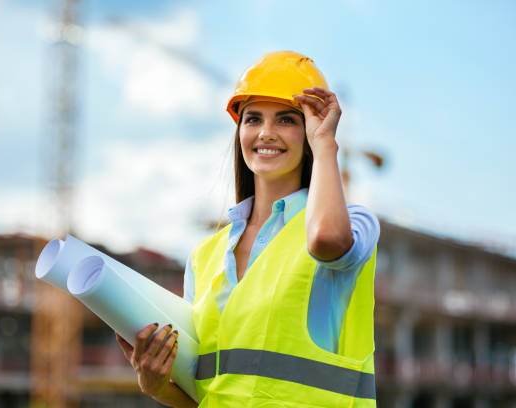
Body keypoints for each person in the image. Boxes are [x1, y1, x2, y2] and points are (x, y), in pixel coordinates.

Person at [116, 51, 380, 407]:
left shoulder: (354, 223)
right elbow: (205, 395)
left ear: (311, 131)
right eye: (253, 119)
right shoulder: (204, 257)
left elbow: (326, 240)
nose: (266, 133)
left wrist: (326, 146)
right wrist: (157, 384)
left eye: (287, 120)